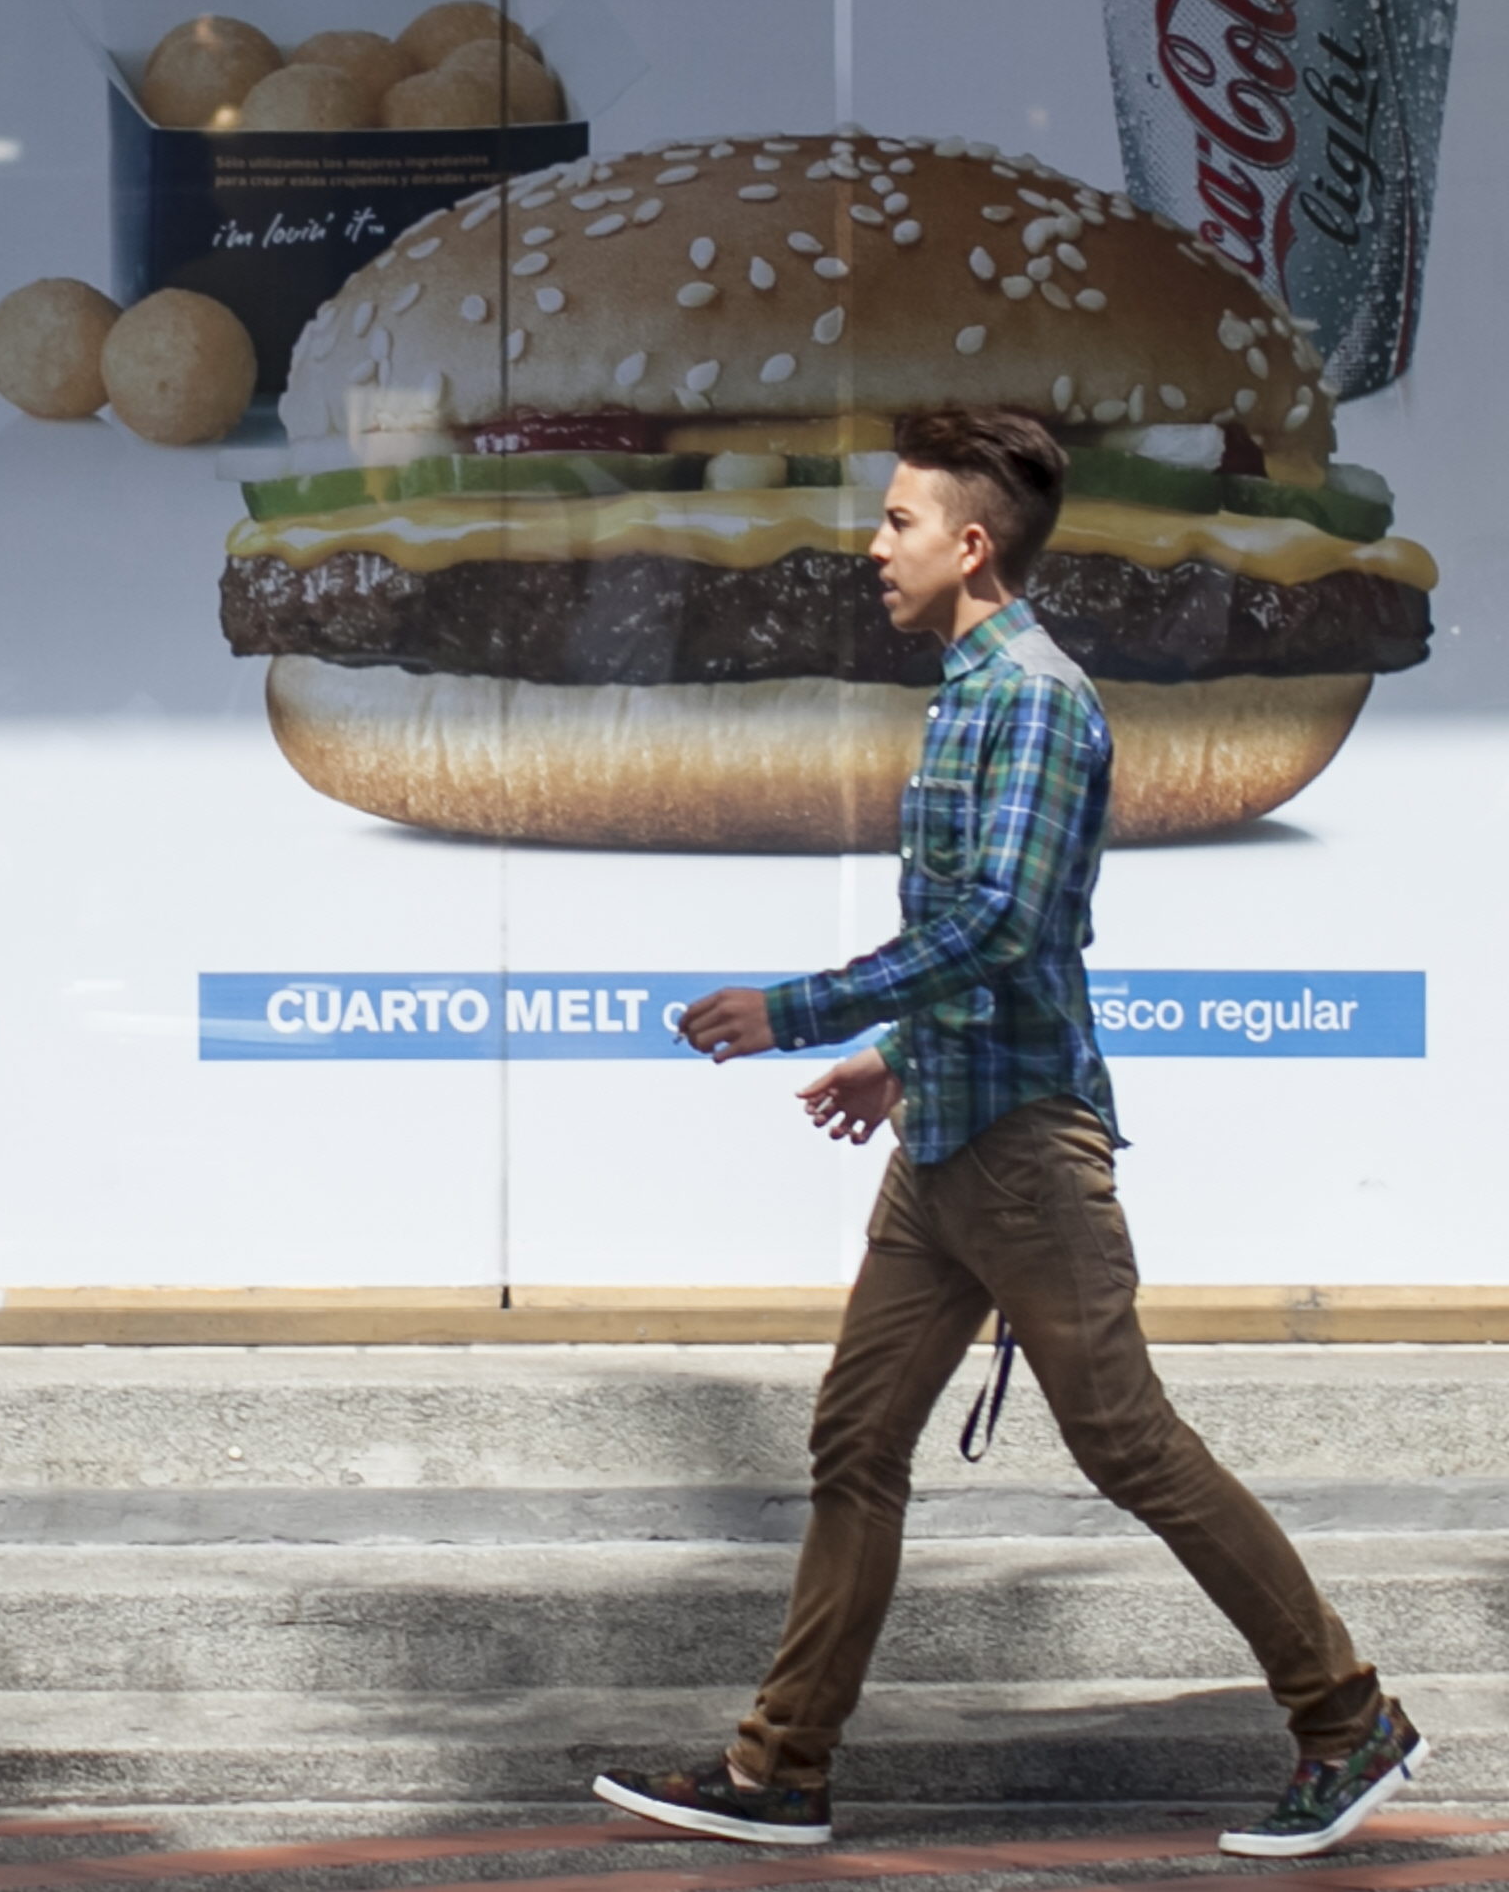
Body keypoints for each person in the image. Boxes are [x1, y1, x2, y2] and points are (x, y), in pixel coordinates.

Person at [590, 405, 1426, 1859]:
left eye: (899, 520)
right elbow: (985, 947)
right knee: (856, 1440)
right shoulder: (973, 689)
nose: (873, 544)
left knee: (1131, 1445)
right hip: (948, 1147)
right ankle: (781, 1764)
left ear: (971, 544)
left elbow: (1000, 924)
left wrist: (793, 1011)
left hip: (1028, 1155)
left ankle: (1348, 1716)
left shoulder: (1032, 697)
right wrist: (899, 1066)